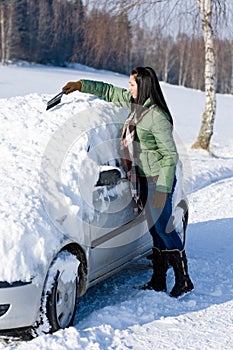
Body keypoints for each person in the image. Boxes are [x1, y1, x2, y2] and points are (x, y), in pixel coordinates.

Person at [62, 66, 194, 298]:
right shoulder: (137, 107)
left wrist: (162, 189)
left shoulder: (156, 116)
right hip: (143, 179)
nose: (128, 87)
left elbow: (170, 157)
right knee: (155, 229)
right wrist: (81, 85)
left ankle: (184, 280)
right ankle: (159, 280)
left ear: (142, 86)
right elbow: (111, 92)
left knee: (163, 228)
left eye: (132, 84)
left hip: (158, 181)